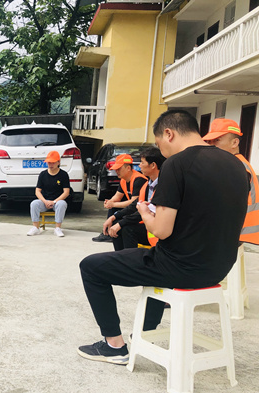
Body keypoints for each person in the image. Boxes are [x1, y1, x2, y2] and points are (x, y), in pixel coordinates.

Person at [77, 110, 248, 365]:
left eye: (159, 144)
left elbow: (161, 230)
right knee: (154, 267)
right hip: (219, 268)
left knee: (91, 267)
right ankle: (145, 333)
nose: (161, 151)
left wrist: (145, 212)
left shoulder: (177, 164)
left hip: (180, 267)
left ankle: (114, 346)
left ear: (169, 133)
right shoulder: (236, 165)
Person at [202, 118, 259, 245]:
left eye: (217, 140)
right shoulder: (238, 163)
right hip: (241, 234)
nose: (211, 145)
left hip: (237, 234)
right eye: (209, 141)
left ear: (234, 142)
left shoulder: (234, 167)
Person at [102, 147, 166, 250]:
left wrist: (120, 222)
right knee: (118, 223)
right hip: (147, 223)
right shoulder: (147, 184)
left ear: (153, 165)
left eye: (142, 162)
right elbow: (135, 205)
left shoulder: (162, 185)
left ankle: (129, 258)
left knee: (127, 228)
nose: (139, 166)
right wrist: (114, 216)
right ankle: (121, 256)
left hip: (159, 229)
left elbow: (144, 210)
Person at [92, 153, 147, 242]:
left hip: (139, 211)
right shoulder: (123, 180)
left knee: (114, 207)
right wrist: (110, 202)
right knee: (113, 207)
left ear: (128, 168)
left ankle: (109, 232)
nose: (116, 171)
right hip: (132, 207)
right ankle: (107, 232)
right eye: (116, 169)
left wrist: (113, 204)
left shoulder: (139, 179)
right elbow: (117, 196)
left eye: (119, 169)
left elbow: (134, 202)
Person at [26, 150, 70, 237]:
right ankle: (36, 227)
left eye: (53, 163)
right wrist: (45, 201)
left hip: (57, 201)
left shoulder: (63, 175)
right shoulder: (43, 174)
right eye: (49, 162)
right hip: (45, 201)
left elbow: (66, 192)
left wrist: (54, 202)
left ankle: (57, 228)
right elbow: (37, 191)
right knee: (34, 203)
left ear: (58, 162)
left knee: (62, 204)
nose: (50, 165)